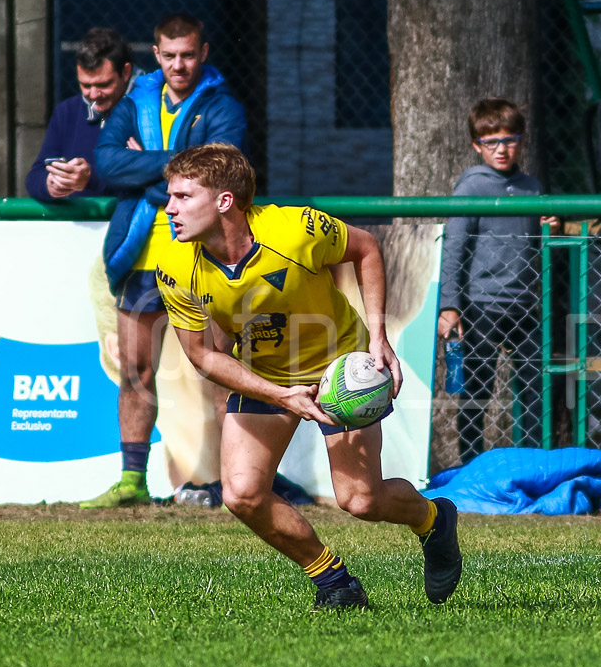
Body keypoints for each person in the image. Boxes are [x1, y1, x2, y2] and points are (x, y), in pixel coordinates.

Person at [156, 142, 462, 609]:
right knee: (242, 494)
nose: (170, 208)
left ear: (224, 202)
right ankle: (335, 582)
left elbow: (366, 248)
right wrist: (280, 395)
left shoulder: (294, 228)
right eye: (170, 196)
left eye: (183, 197)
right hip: (266, 372)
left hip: (340, 368)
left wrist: (379, 338)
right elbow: (201, 356)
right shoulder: (175, 263)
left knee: (362, 501)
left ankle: (433, 520)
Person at [81, 14, 247, 508]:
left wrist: (148, 162)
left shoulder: (224, 106)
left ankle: (230, 483)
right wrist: (179, 163)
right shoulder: (135, 101)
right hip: (142, 256)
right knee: (134, 371)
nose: (179, 64)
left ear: (204, 52)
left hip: (205, 258)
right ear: (156, 55)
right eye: (170, 55)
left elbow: (223, 171)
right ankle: (133, 481)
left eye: (189, 54)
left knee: (218, 370)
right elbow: (108, 162)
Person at [437, 98, 558, 464]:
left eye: (508, 140)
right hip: (481, 304)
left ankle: (535, 462)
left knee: (537, 388)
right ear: (477, 145)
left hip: (525, 304)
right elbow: (454, 246)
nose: (501, 149)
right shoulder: (472, 187)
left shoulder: (531, 187)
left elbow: (533, 246)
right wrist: (450, 306)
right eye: (490, 142)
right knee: (476, 390)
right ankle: (470, 464)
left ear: (521, 141)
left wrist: (548, 230)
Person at [25, 27, 139, 200]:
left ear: (126, 73)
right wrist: (51, 183)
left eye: (103, 85)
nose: (93, 95)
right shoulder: (66, 111)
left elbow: (154, 178)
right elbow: (35, 176)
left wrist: (90, 179)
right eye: (85, 85)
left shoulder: (150, 109)